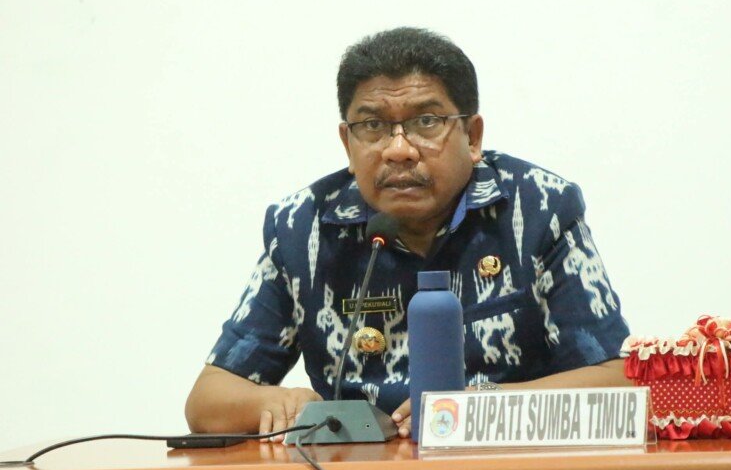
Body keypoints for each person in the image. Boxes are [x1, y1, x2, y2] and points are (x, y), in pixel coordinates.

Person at [185, 27, 631, 441]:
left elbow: (618, 381)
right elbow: (208, 401)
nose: (398, 150)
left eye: (426, 121)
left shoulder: (539, 208)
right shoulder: (303, 228)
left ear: (472, 136)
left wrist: (481, 409)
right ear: (347, 143)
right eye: (372, 126)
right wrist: (277, 401)